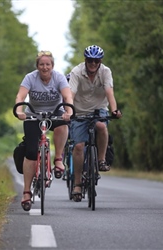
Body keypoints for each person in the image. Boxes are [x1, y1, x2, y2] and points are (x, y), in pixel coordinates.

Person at [15, 50, 73, 211]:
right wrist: (20, 110)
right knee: (31, 153)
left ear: (52, 66)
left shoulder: (59, 78)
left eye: (48, 64)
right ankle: (27, 191)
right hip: (34, 115)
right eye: (41, 64)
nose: (45, 67)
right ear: (37, 66)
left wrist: (69, 112)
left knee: (62, 125)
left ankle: (58, 159)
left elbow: (67, 97)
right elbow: (20, 96)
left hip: (55, 113)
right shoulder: (30, 78)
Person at [68, 45, 122, 202]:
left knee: (101, 126)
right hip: (79, 111)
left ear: (100, 61)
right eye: (90, 60)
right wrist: (69, 111)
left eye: (96, 61)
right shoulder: (76, 72)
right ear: (85, 60)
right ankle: (77, 184)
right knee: (78, 147)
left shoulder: (106, 71)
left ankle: (101, 160)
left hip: (99, 110)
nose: (93, 63)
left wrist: (114, 110)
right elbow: (70, 95)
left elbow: (109, 93)